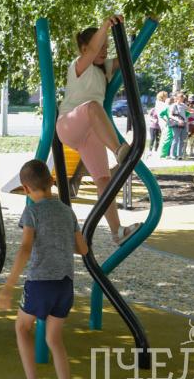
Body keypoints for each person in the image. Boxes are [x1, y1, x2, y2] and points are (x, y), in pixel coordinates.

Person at [0, 160, 88, 379]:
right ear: (51, 181)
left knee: (22, 328)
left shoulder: (32, 212)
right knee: (54, 339)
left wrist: (8, 286)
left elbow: (25, 248)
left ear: (26, 188)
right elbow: (83, 249)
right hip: (65, 284)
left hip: (40, 283)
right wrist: (60, 240)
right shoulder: (67, 211)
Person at [55, 14, 140, 245]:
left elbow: (128, 57)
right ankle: (119, 150)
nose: (103, 50)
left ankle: (117, 232)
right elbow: (93, 50)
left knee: (104, 180)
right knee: (92, 106)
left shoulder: (104, 69)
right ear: (84, 48)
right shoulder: (79, 65)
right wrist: (106, 25)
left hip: (90, 132)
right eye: (100, 46)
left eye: (106, 47)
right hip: (69, 124)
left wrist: (144, 28)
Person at [168, 92, 189, 160]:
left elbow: (190, 110)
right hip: (176, 124)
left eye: (183, 97)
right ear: (177, 98)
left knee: (182, 140)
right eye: (181, 97)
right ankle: (172, 155)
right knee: (175, 139)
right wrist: (178, 120)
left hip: (184, 124)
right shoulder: (173, 105)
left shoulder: (183, 105)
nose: (182, 99)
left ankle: (179, 155)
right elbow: (170, 115)